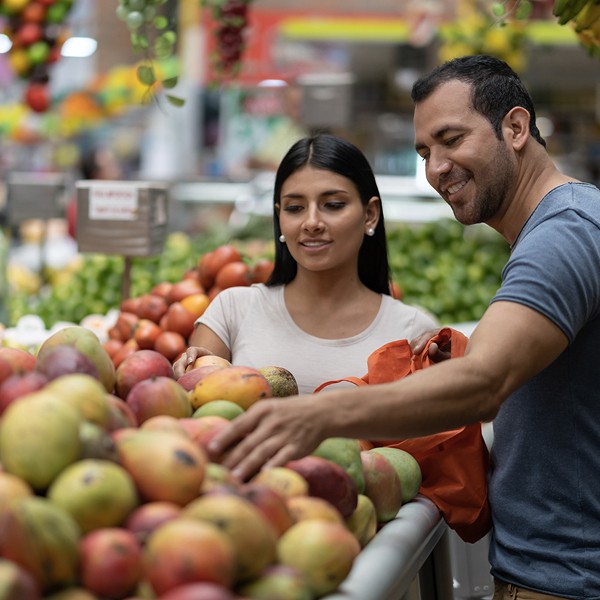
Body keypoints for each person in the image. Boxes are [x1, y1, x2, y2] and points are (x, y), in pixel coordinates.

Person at [208, 55, 600, 599]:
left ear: (514, 127)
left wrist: (319, 413)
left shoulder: (565, 232)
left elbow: (485, 384)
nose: (437, 167)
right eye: (424, 151)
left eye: (451, 139)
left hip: (568, 580)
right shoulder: (554, 231)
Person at [173, 133, 438, 393]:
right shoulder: (231, 312)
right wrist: (186, 381)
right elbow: (198, 420)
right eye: (295, 208)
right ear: (279, 217)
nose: (311, 222)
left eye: (333, 205)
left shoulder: (413, 331)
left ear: (370, 215)